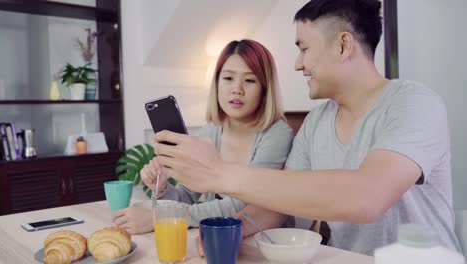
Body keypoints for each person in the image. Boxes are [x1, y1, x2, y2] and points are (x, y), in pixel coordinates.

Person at [152, 0, 461, 256]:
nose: (298, 64)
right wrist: (232, 228)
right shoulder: (316, 122)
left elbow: (367, 197)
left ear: (342, 46)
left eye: (304, 48)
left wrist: (219, 173)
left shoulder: (415, 104)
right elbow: (275, 205)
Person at [112, 39, 294, 237]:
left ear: (265, 89)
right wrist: (164, 187)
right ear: (217, 84)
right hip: (218, 237)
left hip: (265, 242)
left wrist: (159, 217)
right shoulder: (210, 132)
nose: (237, 89)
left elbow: (244, 203)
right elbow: (187, 196)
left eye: (249, 80)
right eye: (228, 78)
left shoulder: (277, 134)